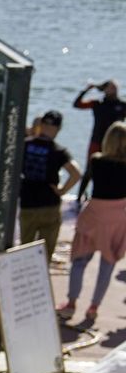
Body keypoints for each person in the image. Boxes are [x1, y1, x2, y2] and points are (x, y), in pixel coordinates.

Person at [60, 121, 126, 326]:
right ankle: (94, 307)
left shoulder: (97, 161)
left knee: (79, 261)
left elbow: (86, 181)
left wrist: (78, 201)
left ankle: (71, 303)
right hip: (117, 219)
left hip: (94, 215)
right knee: (107, 265)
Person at [19, 110, 81, 262]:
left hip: (28, 202)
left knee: (25, 247)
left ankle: (23, 280)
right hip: (50, 204)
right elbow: (76, 173)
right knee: (45, 252)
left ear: (40, 125)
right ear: (58, 129)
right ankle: (40, 282)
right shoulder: (59, 151)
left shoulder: (25, 145)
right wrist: (62, 191)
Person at [73, 80, 126, 200]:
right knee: (90, 170)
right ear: (105, 89)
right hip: (97, 141)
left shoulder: (122, 105)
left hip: (117, 143)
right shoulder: (97, 104)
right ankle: (79, 198)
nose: (115, 89)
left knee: (116, 170)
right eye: (112, 87)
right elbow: (77, 104)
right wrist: (86, 90)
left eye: (116, 87)